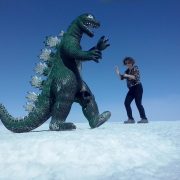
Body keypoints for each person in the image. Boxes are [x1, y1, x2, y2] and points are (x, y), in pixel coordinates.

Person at [115, 57, 148, 123]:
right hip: (131, 89)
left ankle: (144, 118)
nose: (127, 64)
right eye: (126, 63)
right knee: (126, 103)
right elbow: (121, 78)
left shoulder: (135, 68)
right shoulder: (126, 71)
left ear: (132, 62)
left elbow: (136, 77)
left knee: (138, 103)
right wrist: (118, 72)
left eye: (129, 62)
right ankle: (131, 119)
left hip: (138, 87)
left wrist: (127, 75)